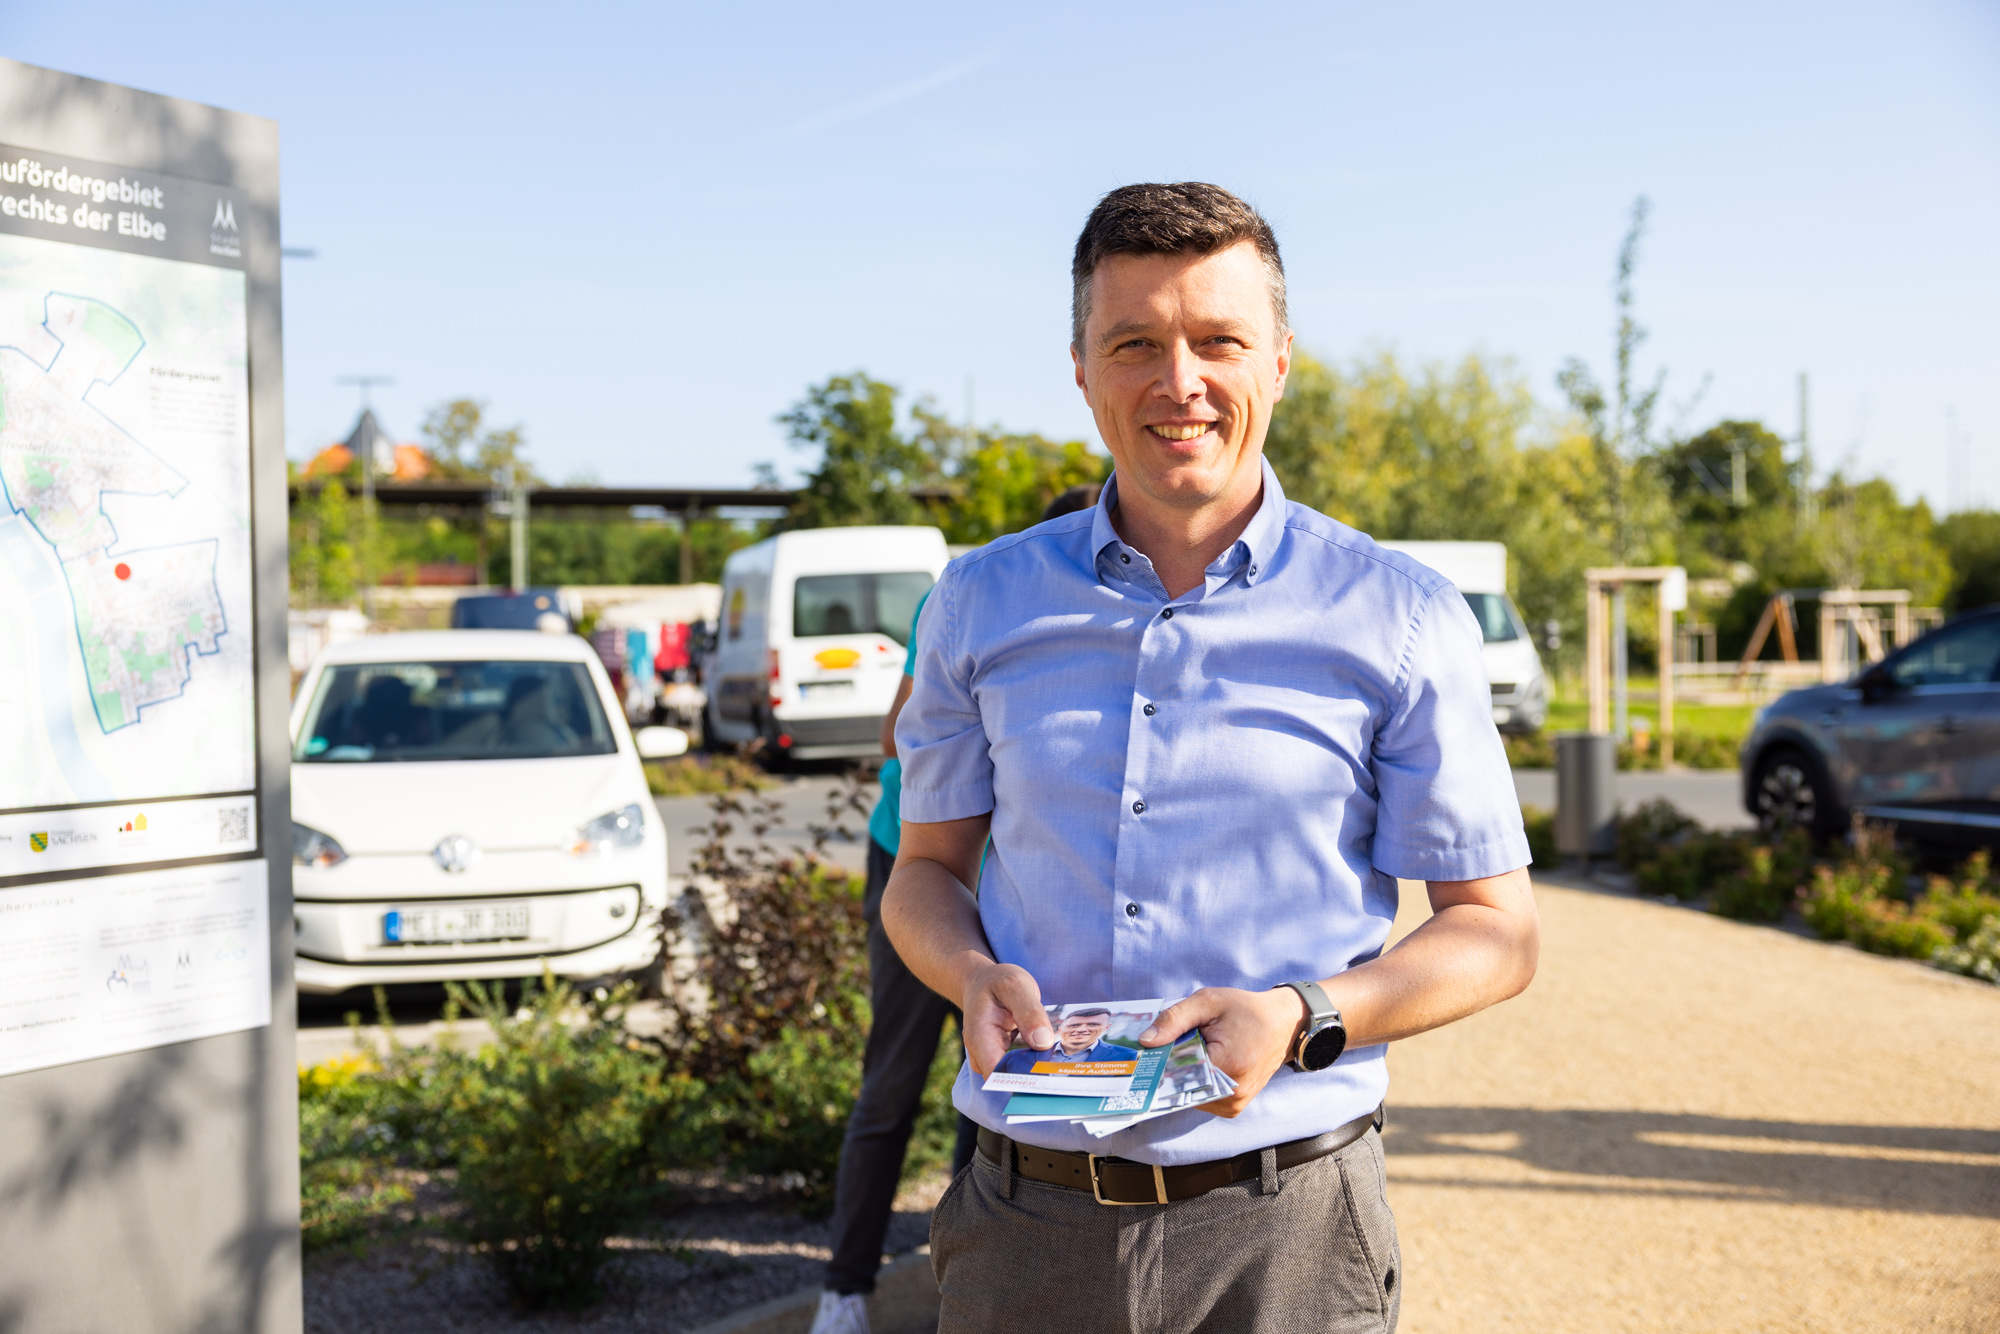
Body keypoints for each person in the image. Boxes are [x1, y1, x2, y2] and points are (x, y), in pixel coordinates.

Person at [884, 182, 1540, 1333]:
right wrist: (968, 974)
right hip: (1020, 1228)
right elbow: (923, 873)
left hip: (1283, 1230)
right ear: (1080, 367)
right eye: (1132, 342)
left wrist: (1304, 1012)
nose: (1176, 381)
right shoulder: (977, 604)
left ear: (1279, 359)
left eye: (1217, 341)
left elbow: (1495, 929)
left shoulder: (1401, 618)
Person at [812, 480, 1105, 1334]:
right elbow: (893, 736)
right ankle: (843, 1286)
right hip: (922, 867)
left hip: (1006, 879)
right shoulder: (978, 600)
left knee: (996, 1071)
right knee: (894, 1080)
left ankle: (961, 1269)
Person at [991, 1006, 1126, 1073]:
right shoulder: (1014, 1057)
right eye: (1074, 1025)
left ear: (1106, 1027)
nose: (1081, 1029)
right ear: (1060, 1028)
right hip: (1001, 1120)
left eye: (1093, 1024)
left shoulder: (1125, 1056)